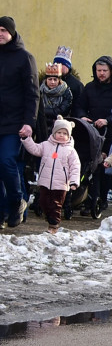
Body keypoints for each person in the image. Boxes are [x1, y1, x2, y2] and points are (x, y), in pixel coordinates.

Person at [0, 16, 39, 227]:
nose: (0, 33)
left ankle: (16, 202)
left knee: (6, 161)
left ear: (12, 33)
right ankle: (2, 212)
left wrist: (29, 122)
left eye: (4, 30)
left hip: (14, 123)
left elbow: (32, 94)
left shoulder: (25, 58)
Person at [74, 55, 112, 217]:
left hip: (111, 134)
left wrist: (108, 120)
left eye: (104, 70)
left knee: (106, 169)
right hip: (92, 133)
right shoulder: (89, 88)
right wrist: (82, 116)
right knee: (92, 168)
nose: (101, 73)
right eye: (98, 70)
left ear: (111, 71)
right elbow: (79, 107)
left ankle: (104, 200)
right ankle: (91, 199)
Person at [21, 116, 80, 233]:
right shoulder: (45, 145)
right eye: (59, 132)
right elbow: (34, 149)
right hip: (45, 181)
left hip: (61, 184)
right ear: (53, 133)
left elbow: (75, 167)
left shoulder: (70, 151)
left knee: (56, 205)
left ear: (69, 136)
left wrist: (74, 181)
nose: (61, 135)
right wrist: (27, 139)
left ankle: (53, 225)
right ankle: (49, 218)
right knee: (43, 201)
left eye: (64, 133)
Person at [38, 61, 73, 136]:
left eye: (55, 79)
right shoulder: (40, 91)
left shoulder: (66, 92)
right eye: (50, 79)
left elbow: (62, 110)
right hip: (42, 126)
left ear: (59, 80)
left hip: (60, 128)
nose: (52, 82)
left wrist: (43, 111)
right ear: (46, 80)